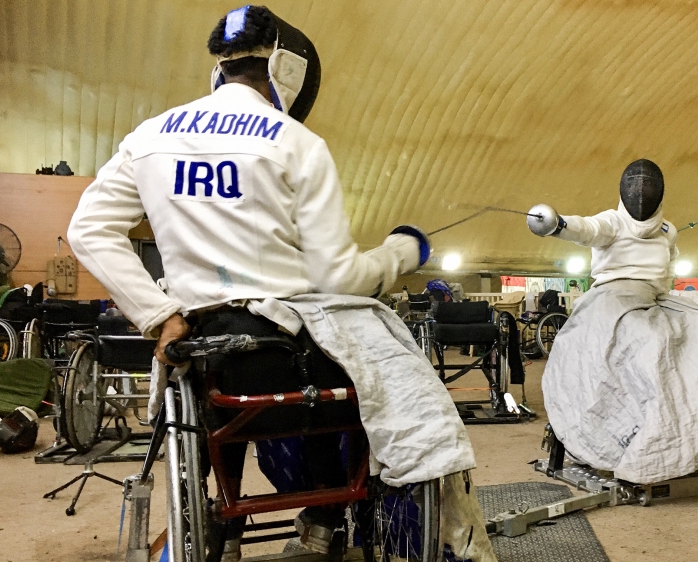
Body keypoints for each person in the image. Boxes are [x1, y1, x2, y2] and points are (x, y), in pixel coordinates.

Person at [68, 6, 494, 561]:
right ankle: (326, 520)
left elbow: (88, 229)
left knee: (212, 395)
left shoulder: (149, 137)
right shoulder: (297, 142)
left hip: (205, 351)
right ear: (288, 70)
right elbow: (339, 276)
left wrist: (160, 315)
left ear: (220, 68)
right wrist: (402, 251)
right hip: (291, 359)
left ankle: (223, 529)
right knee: (360, 372)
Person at [526, 158, 698, 484]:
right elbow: (586, 230)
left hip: (654, 298)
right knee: (653, 340)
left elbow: (667, 269)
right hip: (611, 297)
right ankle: (647, 437)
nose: (640, 193)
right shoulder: (611, 221)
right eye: (634, 185)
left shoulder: (668, 231)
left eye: (648, 186)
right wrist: (557, 224)